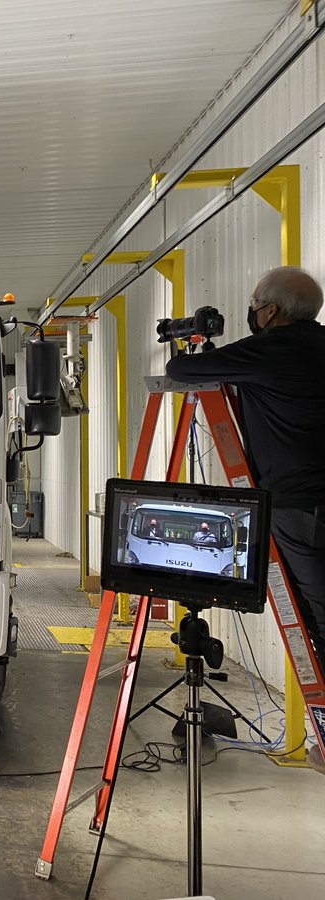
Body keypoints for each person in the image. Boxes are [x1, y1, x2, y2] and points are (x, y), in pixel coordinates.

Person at [166, 265, 325, 768]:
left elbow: (183, 373)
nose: (252, 312)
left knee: (315, 613)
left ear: (271, 311)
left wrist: (189, 347)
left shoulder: (275, 349)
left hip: (300, 506)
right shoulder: (318, 344)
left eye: (256, 304)